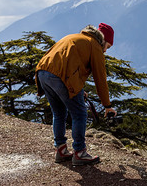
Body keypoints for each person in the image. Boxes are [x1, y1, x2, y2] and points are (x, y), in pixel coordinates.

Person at [35, 23, 117, 165]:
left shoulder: (75, 37)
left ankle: (61, 150)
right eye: (107, 46)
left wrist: (78, 88)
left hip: (42, 72)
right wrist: (107, 105)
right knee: (80, 113)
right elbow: (100, 79)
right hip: (60, 77)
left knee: (59, 113)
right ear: (103, 40)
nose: (105, 51)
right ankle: (80, 152)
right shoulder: (95, 46)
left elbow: (69, 63)